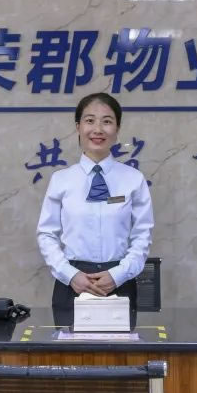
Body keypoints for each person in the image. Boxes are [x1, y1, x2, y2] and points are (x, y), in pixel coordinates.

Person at [37, 92, 154, 311]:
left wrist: (118, 274)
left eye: (107, 121)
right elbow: (46, 234)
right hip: (71, 284)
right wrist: (70, 274)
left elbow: (142, 236)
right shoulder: (61, 180)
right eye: (90, 121)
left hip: (119, 283)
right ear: (78, 127)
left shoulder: (133, 179)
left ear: (117, 129)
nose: (98, 129)